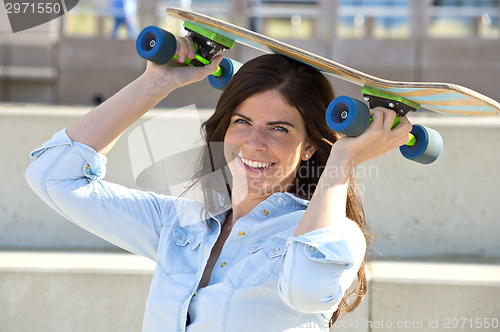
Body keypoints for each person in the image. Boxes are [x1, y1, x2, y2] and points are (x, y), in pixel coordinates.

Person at [26, 36, 412, 331]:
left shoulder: (336, 234)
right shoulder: (180, 224)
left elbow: (307, 290)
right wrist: (156, 83)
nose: (254, 143)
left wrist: (343, 160)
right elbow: (54, 175)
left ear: (310, 146)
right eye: (242, 122)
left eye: (279, 128)